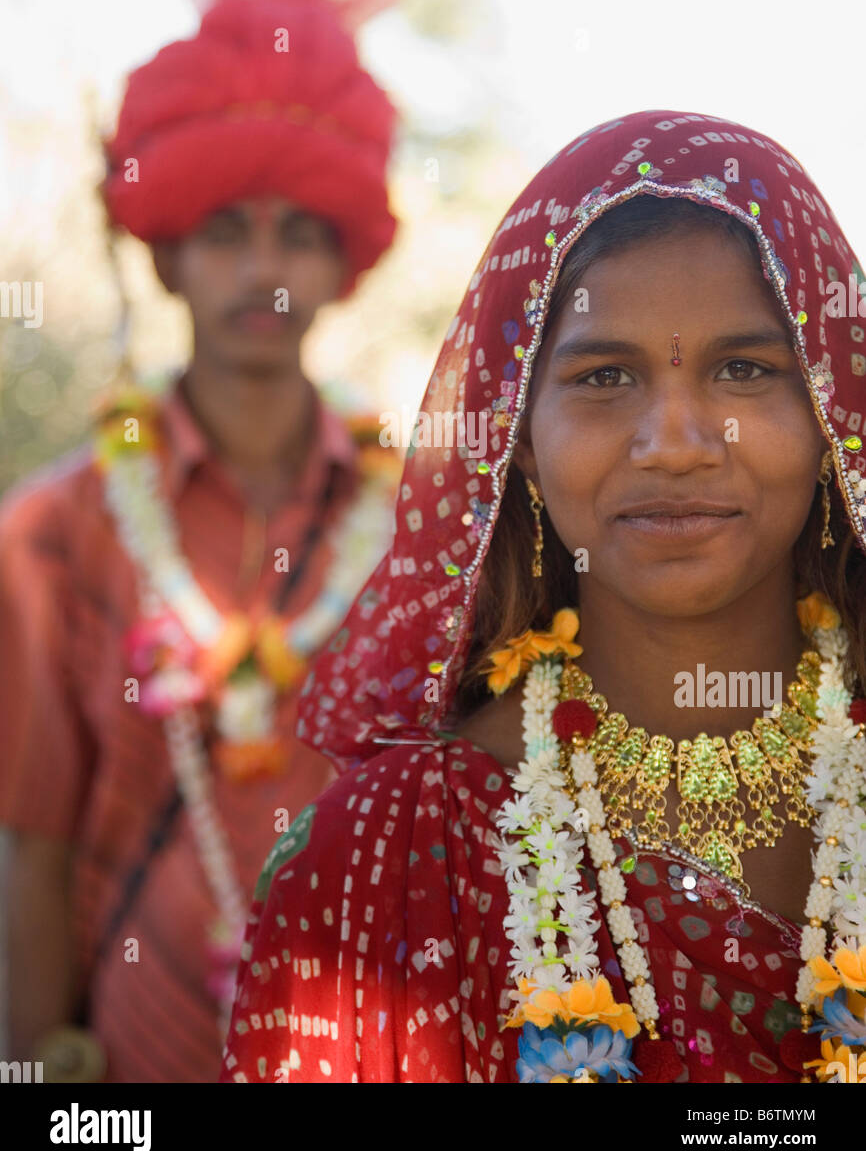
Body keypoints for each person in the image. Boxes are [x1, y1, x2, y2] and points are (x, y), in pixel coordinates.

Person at [220, 107, 866, 1085]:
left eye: (744, 369)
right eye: (605, 375)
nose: (676, 439)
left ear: (826, 411)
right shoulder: (381, 864)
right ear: (521, 438)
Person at [0, 0, 402, 1083]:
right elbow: (30, 841)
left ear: (344, 259)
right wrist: (33, 1083)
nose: (263, 271)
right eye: (225, 231)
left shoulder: (424, 521)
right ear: (167, 248)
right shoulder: (55, 532)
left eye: (298, 232)